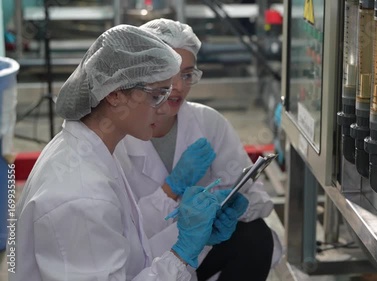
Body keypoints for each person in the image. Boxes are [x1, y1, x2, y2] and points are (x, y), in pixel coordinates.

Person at [13, 24, 247, 281]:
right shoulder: (82, 196)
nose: (164, 108)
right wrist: (183, 253)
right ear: (114, 94)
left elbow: (129, 251)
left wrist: (192, 236)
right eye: (157, 95)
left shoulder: (91, 151)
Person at [114, 19, 282, 281]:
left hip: (203, 252)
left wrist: (238, 206)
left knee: (256, 236)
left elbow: (258, 197)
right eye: (170, 72)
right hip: (145, 262)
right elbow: (124, 231)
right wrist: (170, 190)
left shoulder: (208, 123)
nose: (179, 86)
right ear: (147, 72)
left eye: (187, 74)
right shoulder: (122, 135)